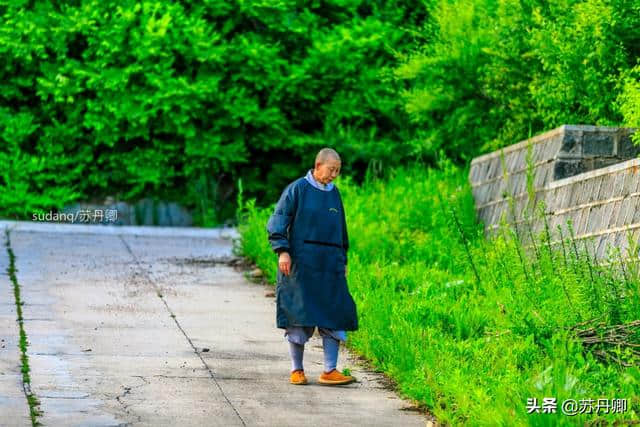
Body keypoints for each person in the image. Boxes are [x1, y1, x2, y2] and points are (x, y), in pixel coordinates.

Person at [266, 148, 358, 386]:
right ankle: (297, 370)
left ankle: (330, 370)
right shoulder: (297, 189)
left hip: (329, 264)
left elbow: (341, 230)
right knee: (299, 315)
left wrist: (343, 259)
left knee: (333, 313)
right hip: (301, 263)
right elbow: (278, 220)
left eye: (337, 171)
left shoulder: (334, 194)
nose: (334, 175)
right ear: (318, 166)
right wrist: (282, 251)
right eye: (331, 170)